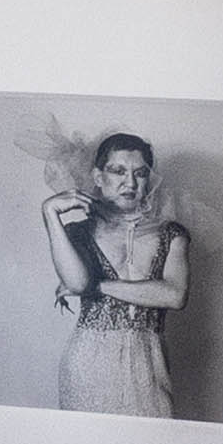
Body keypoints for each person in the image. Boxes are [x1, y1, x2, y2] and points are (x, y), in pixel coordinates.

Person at [42, 131, 191, 416]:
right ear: (98, 177)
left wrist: (98, 286)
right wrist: (49, 212)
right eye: (118, 171)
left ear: (150, 179)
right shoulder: (79, 232)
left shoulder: (172, 234)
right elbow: (76, 281)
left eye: (140, 173)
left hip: (150, 362)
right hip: (88, 363)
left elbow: (174, 295)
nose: (130, 183)